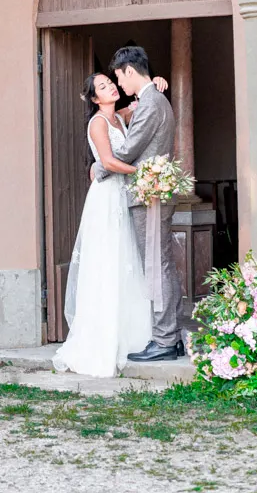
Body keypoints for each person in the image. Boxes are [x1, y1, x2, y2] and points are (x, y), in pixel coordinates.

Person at [51, 70, 167, 377]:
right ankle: (101, 340)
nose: (112, 88)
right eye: (103, 86)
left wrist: (156, 82)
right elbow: (110, 161)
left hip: (123, 194)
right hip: (106, 197)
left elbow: (143, 100)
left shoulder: (121, 116)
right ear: (94, 98)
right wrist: (146, 173)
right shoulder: (99, 123)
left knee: (126, 261)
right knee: (107, 262)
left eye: (111, 83)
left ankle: (133, 335)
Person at [92, 45, 183, 362]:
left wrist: (99, 167)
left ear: (129, 71)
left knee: (157, 266)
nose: (119, 83)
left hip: (149, 195)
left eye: (119, 76)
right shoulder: (151, 100)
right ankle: (171, 336)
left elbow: (129, 150)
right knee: (162, 263)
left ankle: (165, 340)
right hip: (152, 193)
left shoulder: (150, 103)